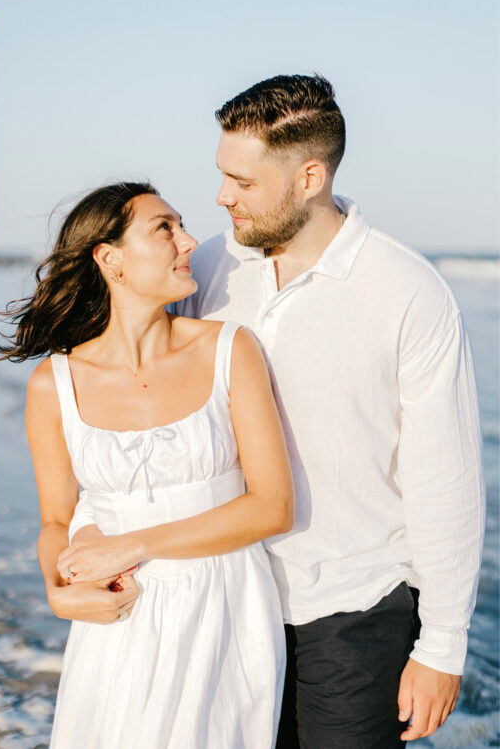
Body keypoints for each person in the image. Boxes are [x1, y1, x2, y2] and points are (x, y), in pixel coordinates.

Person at [176, 74, 484, 746]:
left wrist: (442, 646)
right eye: (222, 175)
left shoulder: (408, 292)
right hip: (225, 602)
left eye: (242, 181)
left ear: (309, 176)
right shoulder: (204, 269)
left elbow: (446, 482)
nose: (221, 195)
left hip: (353, 616)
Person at [0, 183, 296, 747]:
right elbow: (57, 521)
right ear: (109, 258)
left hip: (225, 606)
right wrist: (57, 588)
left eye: (181, 226)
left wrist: (132, 545)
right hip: (116, 613)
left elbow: (273, 507)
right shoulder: (53, 383)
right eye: (165, 228)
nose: (188, 242)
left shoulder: (230, 349)